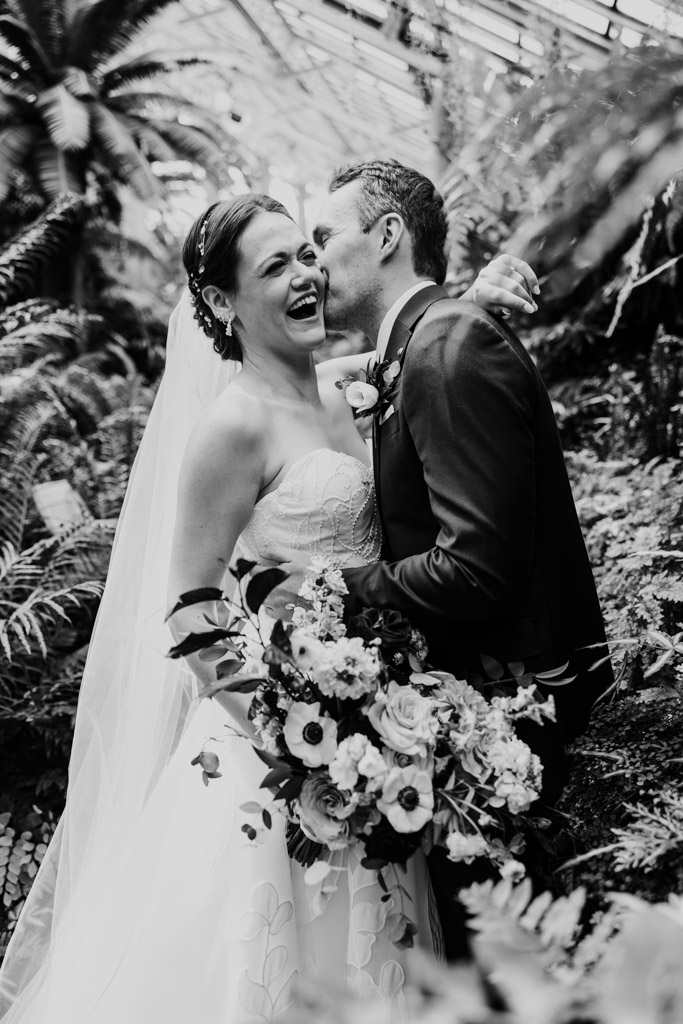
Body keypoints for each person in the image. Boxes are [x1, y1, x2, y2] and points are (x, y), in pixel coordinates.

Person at [0, 193, 539, 1023]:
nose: (306, 275)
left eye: (306, 253)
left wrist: (476, 299)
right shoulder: (231, 428)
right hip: (273, 763)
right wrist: (291, 734)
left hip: (380, 738)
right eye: (275, 265)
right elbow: (187, 607)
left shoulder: (343, 391)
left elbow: (423, 341)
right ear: (219, 302)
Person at [269, 159, 613, 962]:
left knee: (502, 967)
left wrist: (328, 590)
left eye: (323, 237)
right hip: (465, 713)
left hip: (506, 721)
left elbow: (475, 570)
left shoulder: (445, 347)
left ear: (388, 236)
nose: (312, 262)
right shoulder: (429, 342)